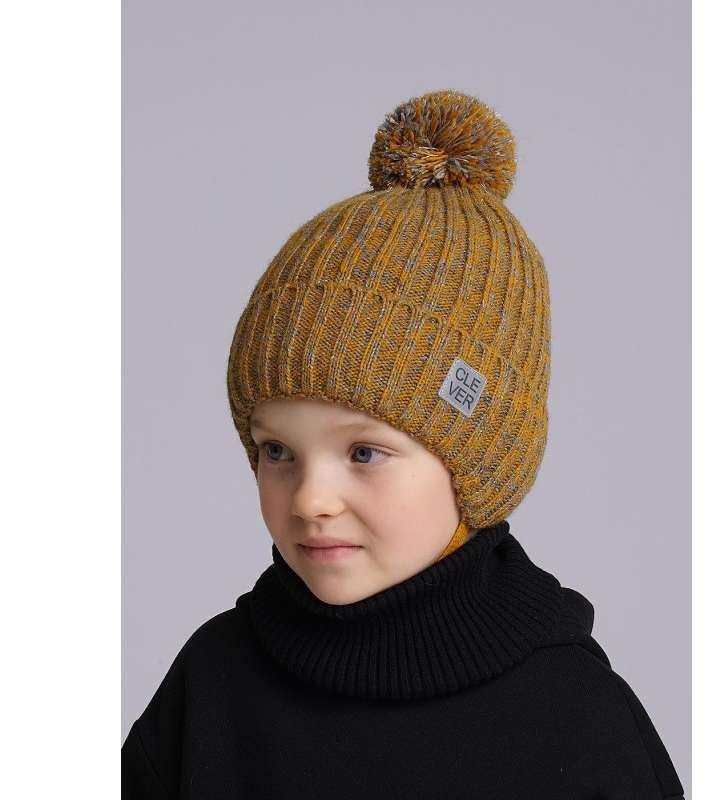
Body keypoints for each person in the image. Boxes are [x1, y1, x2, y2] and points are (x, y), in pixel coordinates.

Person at [122, 90, 685, 799]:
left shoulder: (576, 718)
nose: (310, 500)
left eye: (364, 453)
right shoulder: (213, 681)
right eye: (277, 451)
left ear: (480, 465)